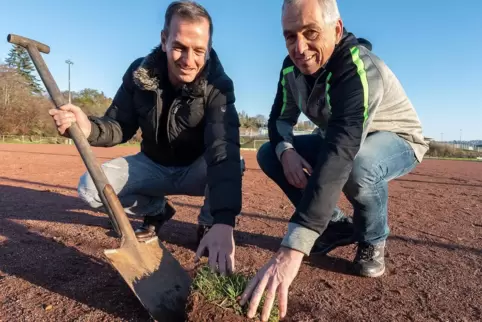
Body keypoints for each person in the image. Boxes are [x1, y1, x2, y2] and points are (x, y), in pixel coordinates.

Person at [239, 0, 429, 320]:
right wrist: (286, 152)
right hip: (346, 141)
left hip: (395, 139)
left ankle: (372, 239)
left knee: (359, 167)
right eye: (290, 36)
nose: (299, 47)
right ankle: (336, 227)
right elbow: (278, 121)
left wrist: (293, 248)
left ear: (336, 29)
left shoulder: (357, 68)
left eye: (311, 32)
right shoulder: (290, 68)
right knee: (268, 154)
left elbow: (341, 152)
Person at [48, 0, 244, 275]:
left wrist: (224, 221)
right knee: (90, 188)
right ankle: (156, 210)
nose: (189, 60)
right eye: (179, 47)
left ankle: (208, 223)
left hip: (196, 170)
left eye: (199, 50)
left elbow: (223, 149)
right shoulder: (139, 74)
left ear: (208, 48)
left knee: (234, 162)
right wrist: (88, 127)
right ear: (164, 40)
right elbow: (118, 125)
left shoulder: (218, 85)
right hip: (153, 165)